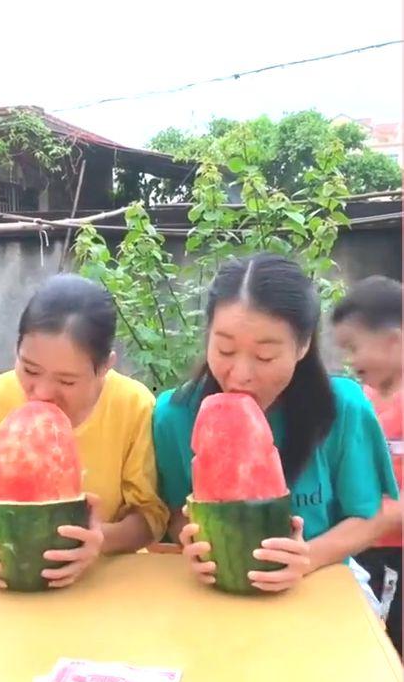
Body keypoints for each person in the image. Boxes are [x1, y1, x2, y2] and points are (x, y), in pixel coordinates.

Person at [153, 253, 398, 596]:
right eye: (225, 350)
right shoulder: (174, 414)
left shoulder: (343, 408)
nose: (240, 375)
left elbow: (370, 515)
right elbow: (177, 510)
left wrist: (307, 557)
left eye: (265, 356)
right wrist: (192, 543)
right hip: (215, 591)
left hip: (322, 584)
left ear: (303, 345)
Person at [0, 273, 168, 589]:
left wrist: (101, 539)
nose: (41, 392)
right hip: (6, 586)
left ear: (104, 367)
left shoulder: (134, 406)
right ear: (16, 349)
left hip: (110, 584)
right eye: (29, 369)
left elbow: (151, 515)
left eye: (67, 381)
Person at [332, 275, 402, 655]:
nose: (350, 360)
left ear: (393, 340)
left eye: (354, 347)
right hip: (362, 551)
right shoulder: (363, 401)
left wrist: (375, 517)